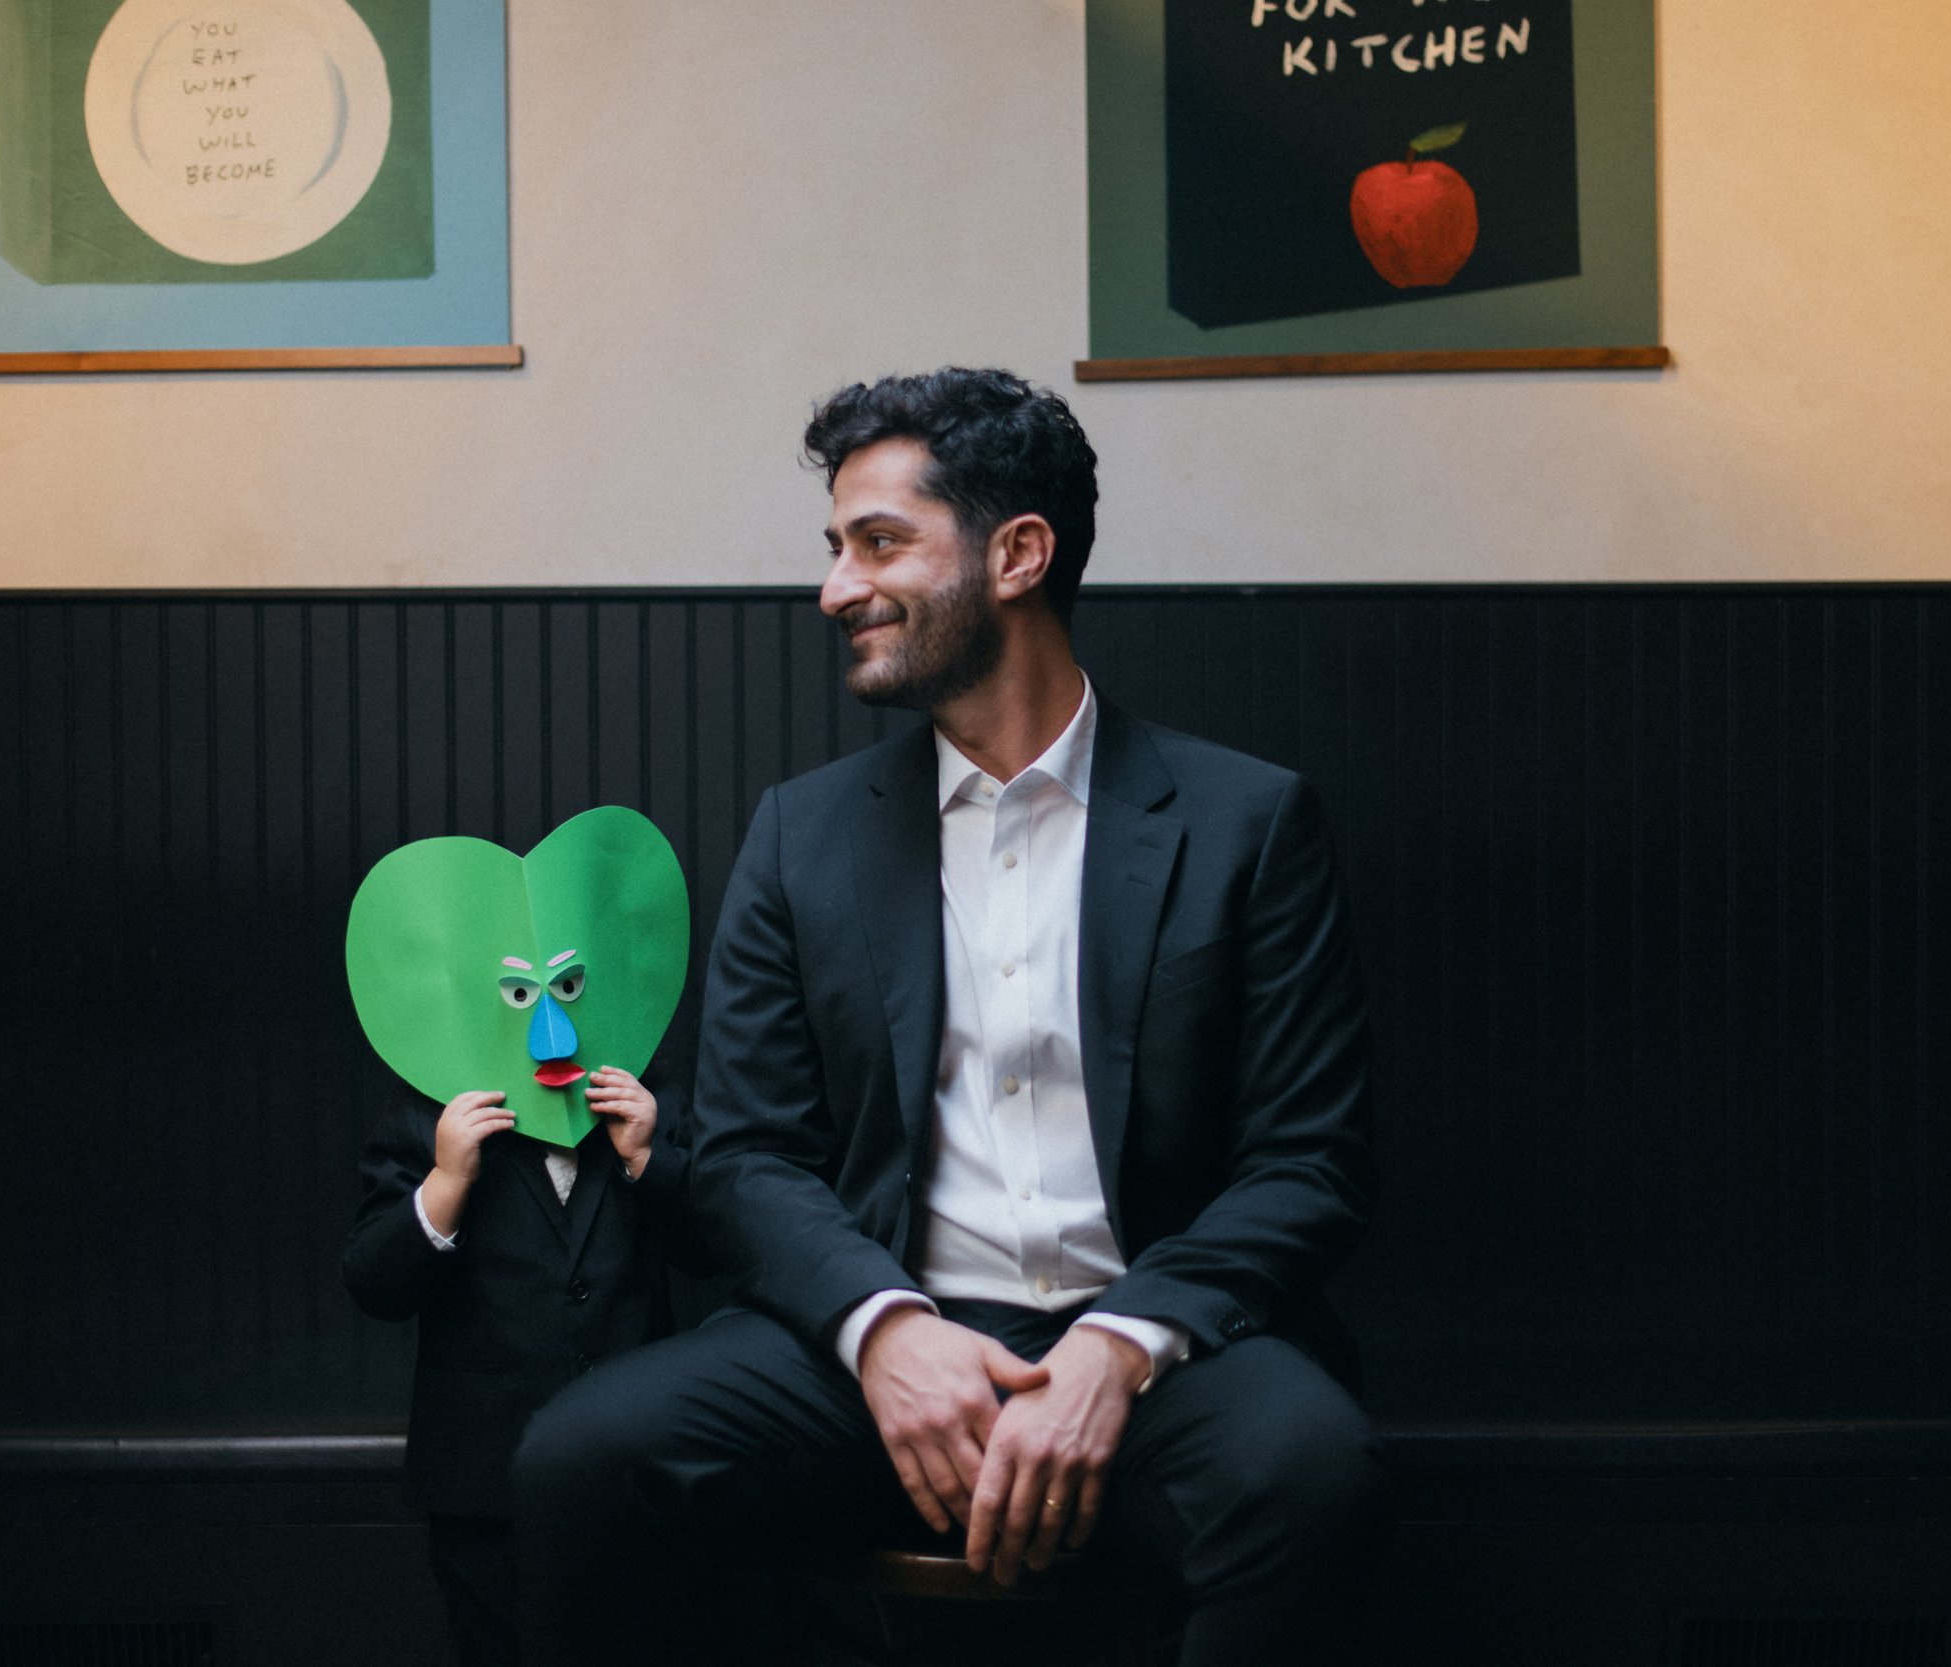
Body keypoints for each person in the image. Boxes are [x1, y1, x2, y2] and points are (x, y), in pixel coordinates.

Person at [513, 367, 1387, 1667]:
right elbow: (749, 1156)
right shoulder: (801, 833)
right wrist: (886, 1329)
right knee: (581, 1462)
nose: (836, 588)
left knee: (1314, 1477)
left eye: (878, 542)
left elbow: (1309, 1163)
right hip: (875, 1344)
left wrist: (1118, 1345)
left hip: (1165, 1355)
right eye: (836, 546)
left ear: (1018, 554)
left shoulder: (1248, 822)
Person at [343, 1060, 691, 1667]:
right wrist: (447, 1181)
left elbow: (713, 1248)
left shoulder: (643, 1086)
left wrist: (647, 1157)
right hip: (483, 1480)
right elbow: (374, 1285)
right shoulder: (425, 1102)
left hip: (638, 1468)